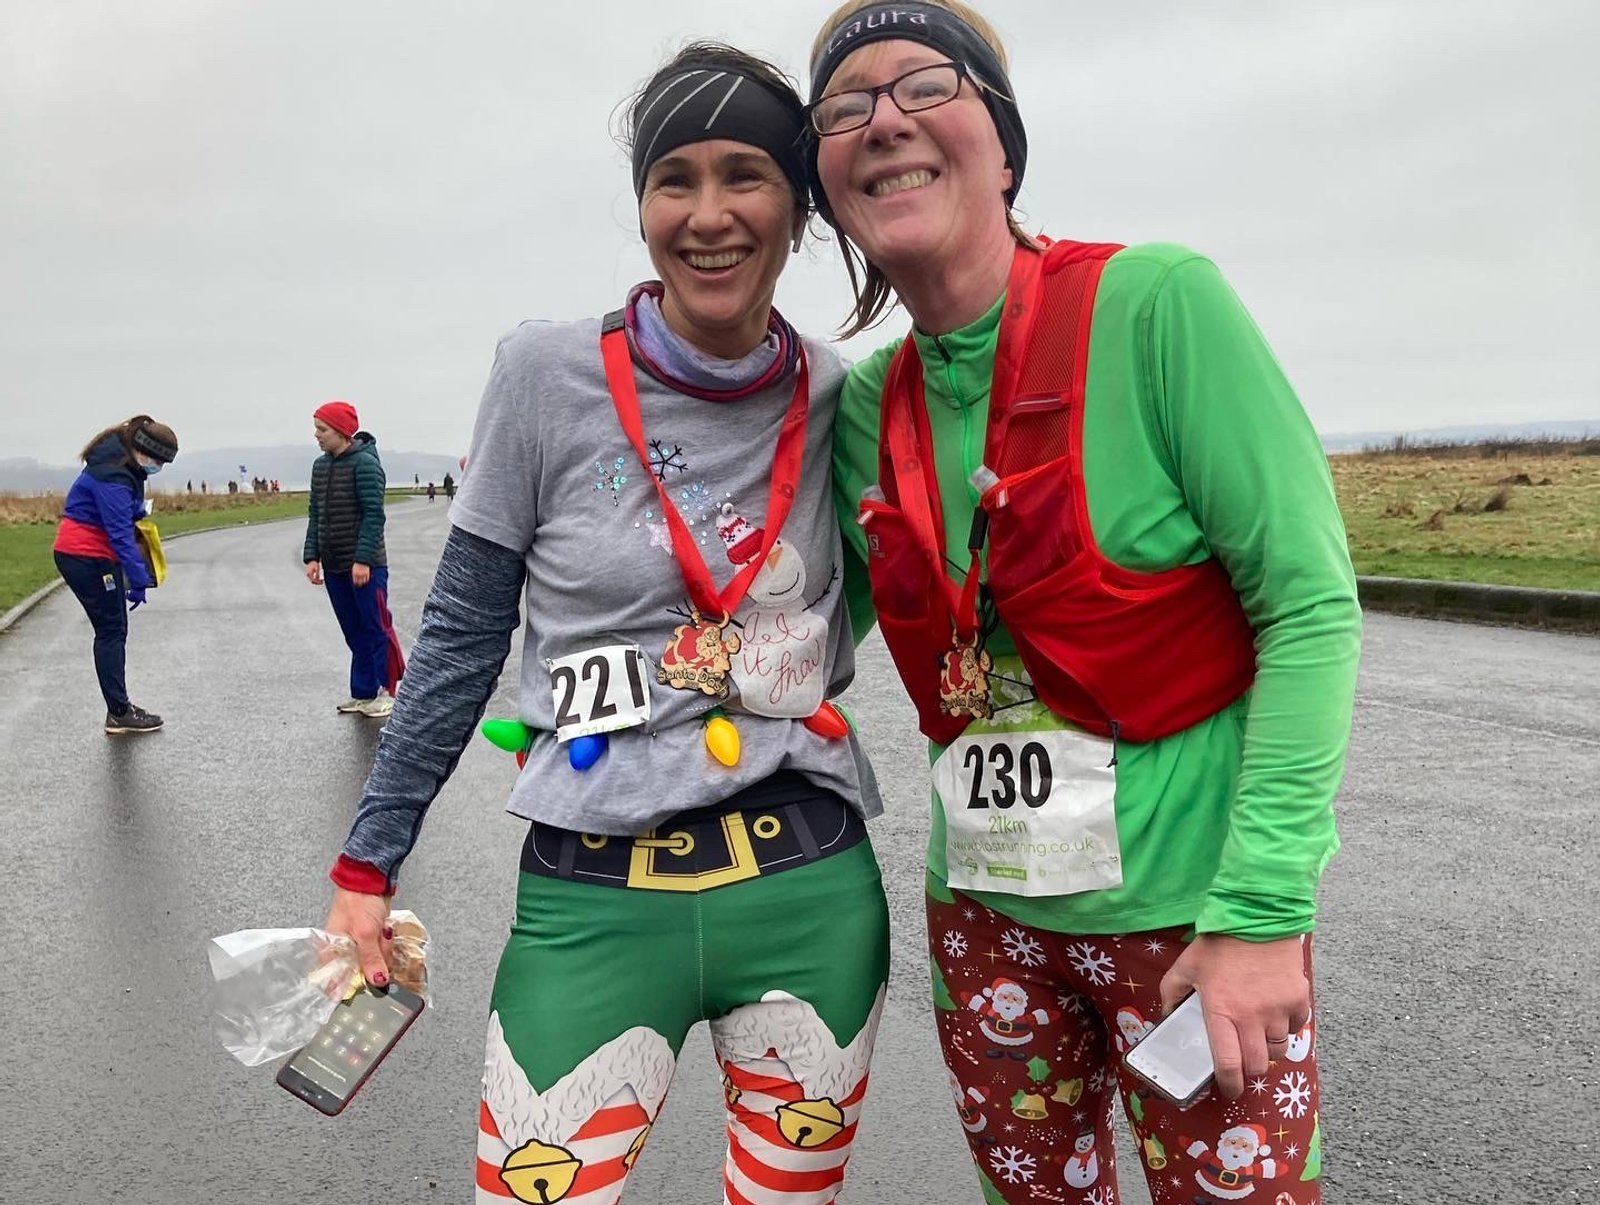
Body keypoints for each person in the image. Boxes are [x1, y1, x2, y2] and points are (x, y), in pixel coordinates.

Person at [807, 3, 1362, 1202]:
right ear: (828, 178)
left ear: (1002, 144)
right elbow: (799, 634)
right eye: (845, 106)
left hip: (1196, 925)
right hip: (985, 923)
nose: (884, 119)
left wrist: (1263, 912)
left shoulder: (1157, 304)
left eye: (923, 86)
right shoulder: (862, 406)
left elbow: (1310, 607)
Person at [318, 42, 890, 1205]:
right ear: (641, 207)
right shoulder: (545, 374)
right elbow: (465, 634)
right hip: (589, 898)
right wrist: (365, 860)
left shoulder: (844, 397)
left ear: (800, 207)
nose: (708, 213)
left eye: (746, 175)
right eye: (673, 178)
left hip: (809, 893)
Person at [52, 415, 179, 734]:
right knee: (111, 631)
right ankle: (119, 712)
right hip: (86, 555)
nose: (158, 468)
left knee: (114, 629)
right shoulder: (114, 477)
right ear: (144, 451)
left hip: (88, 553)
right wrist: (138, 579)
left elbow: (120, 515)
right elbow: (120, 533)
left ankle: (119, 706)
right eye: (159, 461)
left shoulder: (117, 462)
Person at [303, 399, 405, 718]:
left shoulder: (366, 464)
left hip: (365, 566)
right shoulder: (320, 467)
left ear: (343, 432)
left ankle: (388, 691)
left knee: (375, 627)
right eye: (316, 429)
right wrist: (312, 556)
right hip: (334, 565)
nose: (317, 435)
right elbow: (315, 513)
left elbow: (374, 515)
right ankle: (362, 692)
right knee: (353, 631)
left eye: (323, 429)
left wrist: (362, 560)